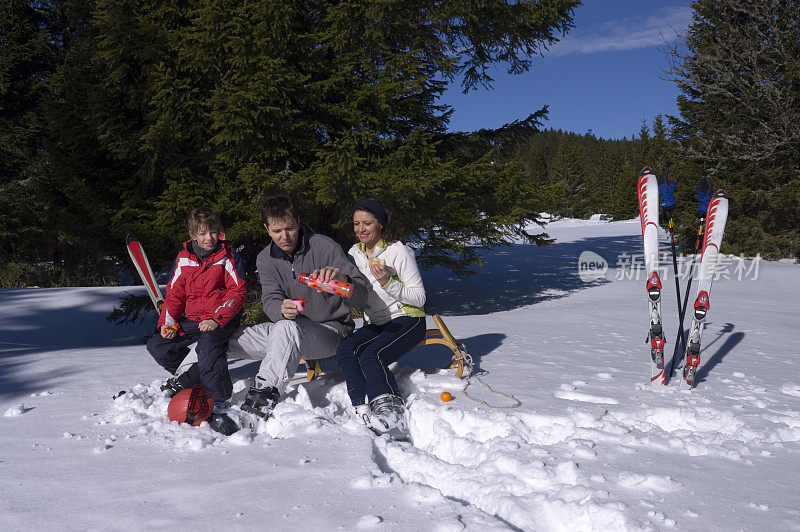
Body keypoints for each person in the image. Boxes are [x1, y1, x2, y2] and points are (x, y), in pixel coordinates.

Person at [233, 195, 370, 419]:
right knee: (226, 337)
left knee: (285, 329)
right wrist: (280, 309)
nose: (284, 236)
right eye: (277, 231)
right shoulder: (265, 259)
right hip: (289, 330)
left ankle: (262, 399)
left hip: (331, 332)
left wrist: (342, 282)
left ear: (298, 221)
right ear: (267, 229)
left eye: (289, 228)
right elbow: (270, 299)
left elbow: (362, 296)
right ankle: (186, 382)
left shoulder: (324, 247)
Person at [146, 207, 246, 435]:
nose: (208, 237)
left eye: (213, 231)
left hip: (222, 318)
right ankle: (193, 377)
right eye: (202, 233)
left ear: (219, 231)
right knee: (158, 346)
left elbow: (237, 292)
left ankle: (218, 399)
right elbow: (174, 294)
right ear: (193, 235)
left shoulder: (227, 255)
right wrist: (167, 324)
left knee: (209, 345)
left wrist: (216, 319)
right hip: (193, 319)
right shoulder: (184, 258)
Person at [335, 198, 426, 440]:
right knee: (346, 349)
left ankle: (392, 415)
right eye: (356, 223)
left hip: (407, 319)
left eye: (367, 223)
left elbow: (419, 298)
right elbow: (356, 294)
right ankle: (361, 407)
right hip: (376, 322)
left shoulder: (399, 251)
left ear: (381, 224)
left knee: (371, 355)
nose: (360, 229)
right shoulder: (354, 254)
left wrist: (389, 282)